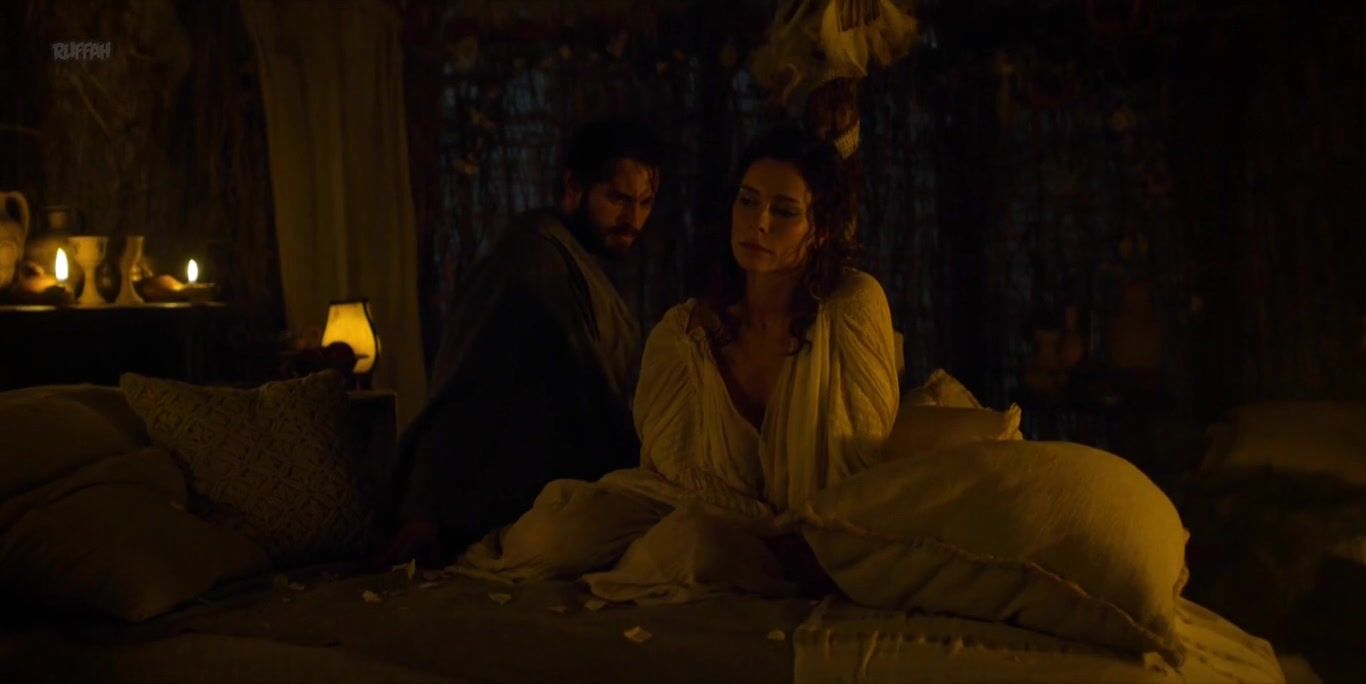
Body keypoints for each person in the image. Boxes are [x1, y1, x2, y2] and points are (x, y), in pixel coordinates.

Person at [458, 123, 901, 601]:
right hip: (693, 509)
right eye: (747, 201)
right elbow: (667, 474)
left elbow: (860, 457)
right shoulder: (684, 335)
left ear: (820, 231)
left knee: (692, 547)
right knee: (549, 538)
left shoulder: (850, 307)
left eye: (784, 211)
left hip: (799, 531)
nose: (758, 223)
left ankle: (668, 562)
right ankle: (643, 558)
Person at [381, 116, 666, 566]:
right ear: (573, 187)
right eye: (617, 199)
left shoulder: (575, 261)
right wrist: (425, 512)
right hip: (524, 507)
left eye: (644, 203)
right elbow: (468, 385)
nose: (633, 220)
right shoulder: (526, 261)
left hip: (577, 494)